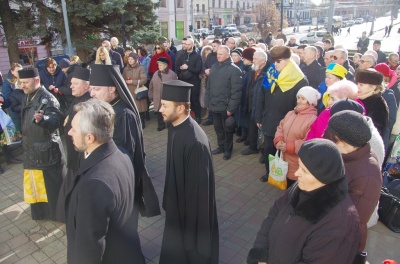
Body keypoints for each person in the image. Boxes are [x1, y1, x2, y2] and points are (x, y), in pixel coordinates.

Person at [247, 139, 360, 264]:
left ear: (323, 175)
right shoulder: (302, 186)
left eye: (304, 171)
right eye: (300, 166)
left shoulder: (340, 222)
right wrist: (260, 253)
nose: (296, 173)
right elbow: (274, 213)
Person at [65, 99, 145, 264]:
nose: (69, 133)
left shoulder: (94, 184)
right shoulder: (122, 154)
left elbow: (89, 249)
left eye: (74, 129)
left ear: (89, 137)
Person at [159, 80, 219, 264]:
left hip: (189, 222)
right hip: (177, 208)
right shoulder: (174, 127)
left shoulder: (195, 143)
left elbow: (198, 196)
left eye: (164, 106)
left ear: (181, 108)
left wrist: (191, 237)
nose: (160, 109)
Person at [90, 64, 160, 219]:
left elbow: (123, 155)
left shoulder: (123, 115)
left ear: (111, 89)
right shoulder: (107, 107)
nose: (92, 93)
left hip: (121, 183)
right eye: (91, 88)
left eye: (96, 89)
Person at [325, 111, 382, 258]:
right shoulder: (347, 156)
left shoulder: (367, 175)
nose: (330, 143)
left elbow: (353, 220)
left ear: (347, 142)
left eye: (334, 140)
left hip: (341, 242)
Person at [257, 46, 308, 182]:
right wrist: (259, 116)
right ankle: (270, 173)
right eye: (274, 61)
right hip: (269, 119)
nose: (275, 64)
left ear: (287, 60)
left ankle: (285, 177)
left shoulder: (299, 79)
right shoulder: (272, 73)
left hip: (287, 124)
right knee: (268, 150)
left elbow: (301, 106)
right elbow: (262, 96)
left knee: (285, 153)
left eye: (278, 61)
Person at [19, 67, 64, 221]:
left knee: (52, 187)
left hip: (46, 151)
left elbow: (56, 120)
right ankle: (42, 214)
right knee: (37, 185)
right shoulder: (27, 95)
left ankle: (58, 215)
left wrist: (44, 120)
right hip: (32, 149)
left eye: (25, 82)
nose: (22, 85)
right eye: (21, 82)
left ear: (37, 81)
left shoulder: (48, 98)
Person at [56, 67, 92, 222]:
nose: (71, 86)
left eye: (75, 83)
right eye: (71, 83)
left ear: (87, 86)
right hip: (72, 156)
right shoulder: (77, 99)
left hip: (80, 158)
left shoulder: (88, 104)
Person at [274, 86, 319, 187]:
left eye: (303, 98)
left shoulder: (312, 119)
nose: (299, 101)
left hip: (297, 163)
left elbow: (308, 142)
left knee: (294, 188)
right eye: (298, 97)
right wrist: (279, 141)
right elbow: (280, 128)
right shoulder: (290, 113)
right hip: (284, 159)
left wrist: (288, 146)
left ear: (310, 102)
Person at [205, 45, 242, 160]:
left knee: (228, 130)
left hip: (226, 107)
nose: (218, 56)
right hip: (214, 105)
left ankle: (228, 150)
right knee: (218, 128)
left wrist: (231, 109)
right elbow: (209, 86)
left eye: (221, 54)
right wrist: (207, 103)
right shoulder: (214, 66)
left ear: (227, 55)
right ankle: (221, 146)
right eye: (217, 54)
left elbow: (236, 92)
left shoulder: (234, 70)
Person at [356, 69, 389, 141]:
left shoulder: (379, 104)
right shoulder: (356, 99)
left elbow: (376, 131)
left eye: (361, 85)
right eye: (357, 84)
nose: (357, 87)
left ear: (373, 87)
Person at [175, 38, 203, 123]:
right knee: (185, 100)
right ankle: (186, 117)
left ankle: (198, 117)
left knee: (194, 100)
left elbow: (198, 70)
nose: (186, 46)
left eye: (188, 44)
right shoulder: (182, 55)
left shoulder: (197, 56)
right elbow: (177, 67)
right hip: (184, 81)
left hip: (194, 81)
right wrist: (180, 68)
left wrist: (188, 68)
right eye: (185, 44)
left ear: (193, 45)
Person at [149, 57, 178, 131]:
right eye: (158, 65)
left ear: (165, 65)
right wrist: (150, 95)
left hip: (167, 96)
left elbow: (176, 86)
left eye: (161, 65)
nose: (159, 67)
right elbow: (151, 85)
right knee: (159, 111)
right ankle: (161, 125)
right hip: (157, 97)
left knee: (168, 110)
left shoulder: (172, 74)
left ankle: (169, 124)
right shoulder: (156, 73)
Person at [122, 52, 148, 128]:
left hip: (138, 91)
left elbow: (144, 80)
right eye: (129, 59)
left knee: (140, 109)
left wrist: (132, 82)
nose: (129, 61)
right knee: (132, 109)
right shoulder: (125, 69)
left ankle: (142, 123)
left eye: (131, 59)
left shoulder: (140, 68)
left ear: (135, 60)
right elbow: (123, 79)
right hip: (129, 91)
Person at [202, 39, 221, 126]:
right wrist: (205, 70)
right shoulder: (209, 55)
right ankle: (210, 118)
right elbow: (204, 65)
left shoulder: (221, 56)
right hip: (208, 80)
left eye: (214, 46)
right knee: (209, 98)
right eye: (212, 46)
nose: (212, 48)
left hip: (217, 81)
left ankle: (216, 119)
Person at [2, 63, 23, 131]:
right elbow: (8, 97)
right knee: (20, 131)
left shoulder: (24, 80)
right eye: (18, 71)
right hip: (15, 112)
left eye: (21, 71)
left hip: (26, 111)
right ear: (12, 72)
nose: (20, 73)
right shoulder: (7, 83)